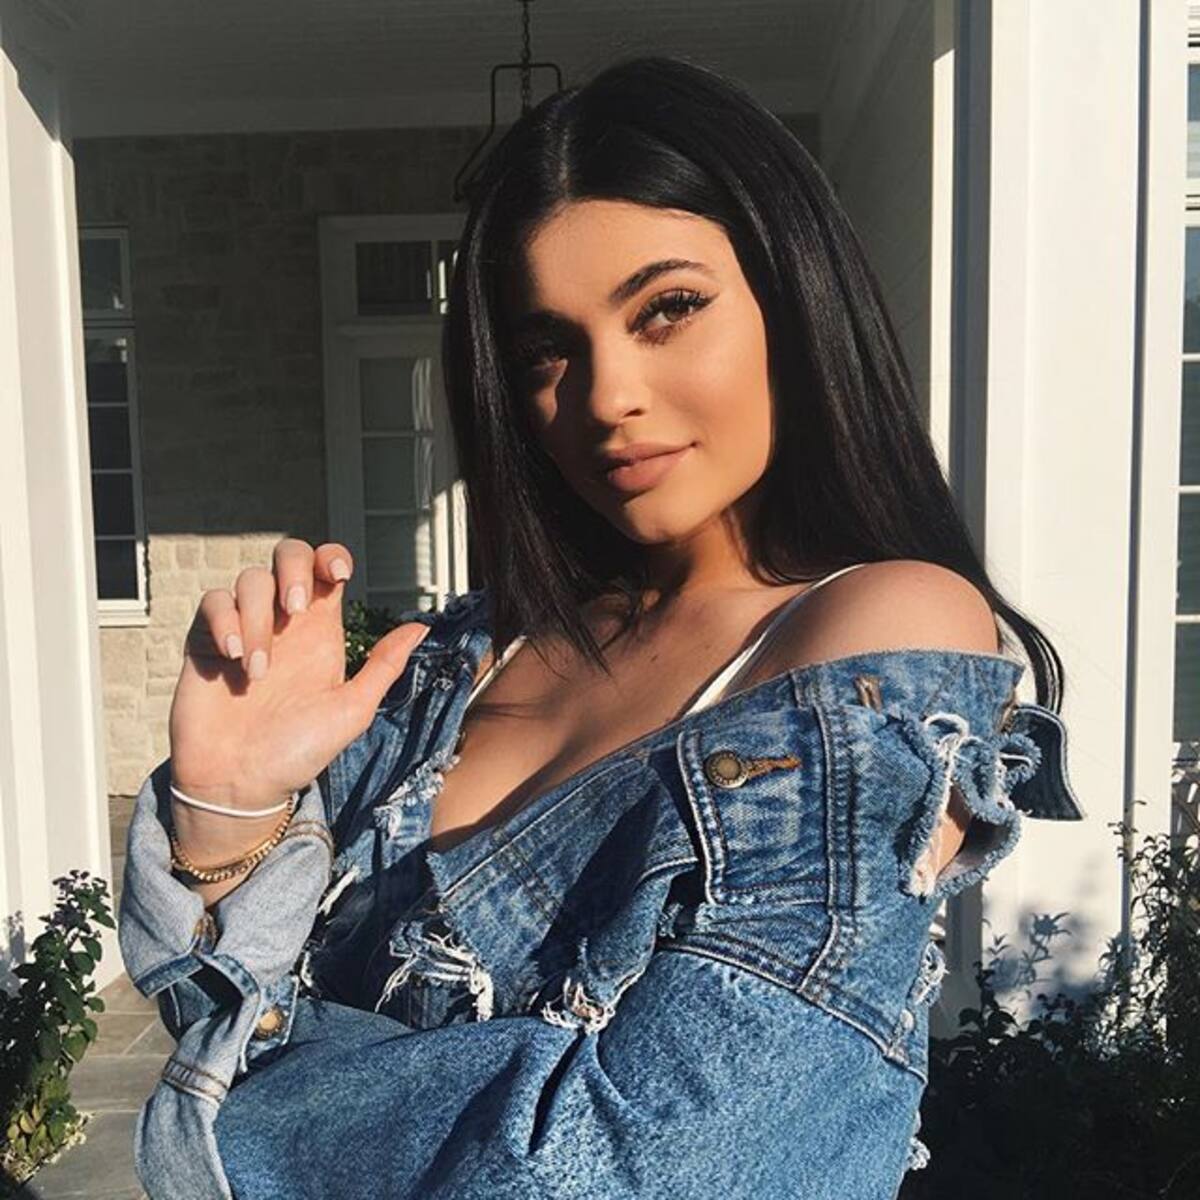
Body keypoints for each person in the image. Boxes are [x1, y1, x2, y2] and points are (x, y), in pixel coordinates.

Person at [118, 54, 1083, 1200]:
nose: (605, 395)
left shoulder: (877, 631)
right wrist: (229, 808)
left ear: (792, 298)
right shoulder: (467, 660)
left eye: (667, 309)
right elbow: (220, 1023)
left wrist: (243, 1117)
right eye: (547, 350)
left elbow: (652, 1168)